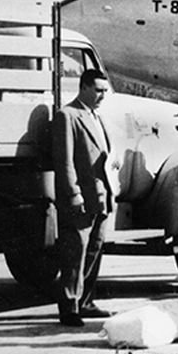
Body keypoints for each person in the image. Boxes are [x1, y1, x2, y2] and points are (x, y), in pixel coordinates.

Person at [52, 69, 117, 327]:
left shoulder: (96, 117)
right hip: (81, 197)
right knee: (75, 251)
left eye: (104, 91)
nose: (102, 96)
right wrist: (74, 194)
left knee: (95, 248)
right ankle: (69, 307)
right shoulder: (67, 115)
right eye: (98, 90)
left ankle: (86, 301)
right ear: (84, 87)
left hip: (101, 195)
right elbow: (65, 161)